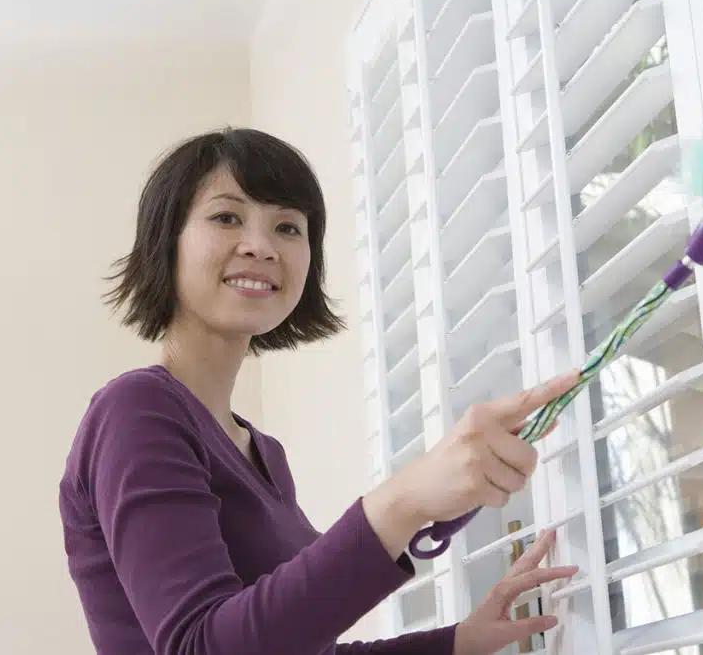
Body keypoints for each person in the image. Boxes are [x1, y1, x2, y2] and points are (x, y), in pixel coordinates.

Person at [58, 127, 580, 655]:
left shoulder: (263, 453)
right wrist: (403, 502)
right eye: (226, 217)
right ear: (165, 241)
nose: (261, 246)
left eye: (288, 226)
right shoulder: (136, 413)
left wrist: (459, 642)